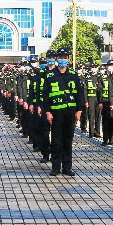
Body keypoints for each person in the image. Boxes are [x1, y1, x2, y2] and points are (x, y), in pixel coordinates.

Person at [43, 48, 84, 177]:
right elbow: (46, 96)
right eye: (60, 57)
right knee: (56, 140)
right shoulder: (50, 76)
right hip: (56, 113)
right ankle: (55, 167)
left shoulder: (73, 75)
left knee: (68, 140)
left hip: (70, 113)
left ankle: (67, 167)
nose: (62, 59)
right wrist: (48, 112)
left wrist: (79, 110)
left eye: (65, 57)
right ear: (56, 59)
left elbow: (80, 94)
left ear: (68, 59)